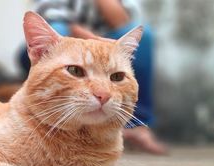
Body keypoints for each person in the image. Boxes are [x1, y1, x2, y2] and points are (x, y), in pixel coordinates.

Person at [20, 0, 168, 154]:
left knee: (145, 37)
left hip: (107, 40)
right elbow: (49, 14)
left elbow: (122, 21)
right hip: (66, 39)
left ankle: (136, 125)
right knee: (58, 28)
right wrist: (91, 40)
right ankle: (43, 116)